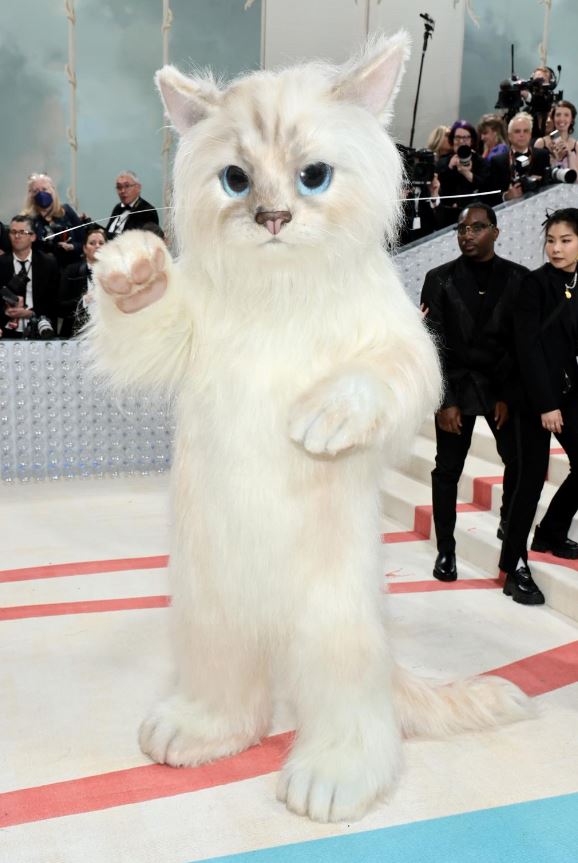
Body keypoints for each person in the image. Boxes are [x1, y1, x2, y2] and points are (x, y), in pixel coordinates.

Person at [421, 202, 527, 582]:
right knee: (447, 470)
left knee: (518, 462)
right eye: (462, 229)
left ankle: (508, 524)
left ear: (495, 232)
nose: (467, 235)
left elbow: (520, 345)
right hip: (456, 387)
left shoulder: (518, 279)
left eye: (477, 228)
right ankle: (445, 551)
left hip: (501, 387)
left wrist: (508, 396)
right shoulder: (439, 278)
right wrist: (444, 401)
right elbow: (433, 344)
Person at [499, 208, 578, 605]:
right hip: (531, 396)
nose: (556, 248)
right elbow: (527, 348)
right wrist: (546, 404)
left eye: (565, 240)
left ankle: (550, 532)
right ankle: (513, 566)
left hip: (567, 392)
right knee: (529, 480)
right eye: (551, 240)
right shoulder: (534, 284)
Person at [0, 215, 59, 338]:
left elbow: (55, 301)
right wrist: (5, 311)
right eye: (13, 232)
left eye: (22, 232)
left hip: (41, 329)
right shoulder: (1, 263)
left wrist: (30, 313)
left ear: (33, 236)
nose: (17, 236)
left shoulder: (48, 263)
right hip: (5, 330)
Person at [23, 173, 84, 268]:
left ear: (53, 190)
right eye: (36, 191)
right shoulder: (27, 220)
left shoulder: (66, 211)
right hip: (42, 270)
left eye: (44, 189)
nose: (41, 194)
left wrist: (71, 246)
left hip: (72, 268)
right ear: (31, 195)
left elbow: (84, 242)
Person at [487, 112, 550, 204]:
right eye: (517, 131)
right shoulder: (498, 161)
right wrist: (507, 196)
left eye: (525, 131)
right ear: (509, 136)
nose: (522, 135)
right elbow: (490, 195)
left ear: (530, 134)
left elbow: (549, 185)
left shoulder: (542, 155)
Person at [436, 121, 490, 227]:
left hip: (473, 215)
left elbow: (486, 186)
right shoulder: (443, 162)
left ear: (471, 140)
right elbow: (438, 187)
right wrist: (449, 168)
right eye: (457, 137)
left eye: (465, 138)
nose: (461, 141)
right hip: (448, 216)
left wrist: (466, 173)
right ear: (452, 140)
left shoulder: (480, 162)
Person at [59, 225, 107, 337]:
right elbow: (60, 307)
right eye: (92, 243)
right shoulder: (71, 271)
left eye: (101, 243)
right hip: (75, 334)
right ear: (85, 249)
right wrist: (83, 301)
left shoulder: (115, 274)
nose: (97, 246)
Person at [106, 171, 159, 239]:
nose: (122, 191)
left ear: (138, 188)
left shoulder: (147, 211)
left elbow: (141, 239)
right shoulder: (118, 208)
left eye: (127, 186)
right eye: (119, 187)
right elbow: (108, 232)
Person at [534, 100, 578, 180]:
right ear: (553, 118)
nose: (561, 119)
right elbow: (535, 175)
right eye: (558, 115)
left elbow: (576, 179)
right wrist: (554, 159)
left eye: (566, 115)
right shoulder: (541, 143)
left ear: (572, 120)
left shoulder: (576, 145)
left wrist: (569, 154)